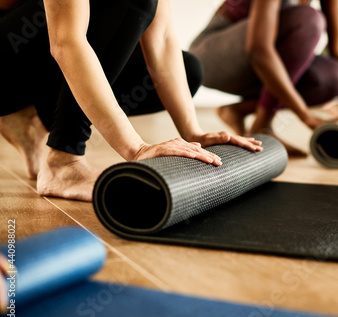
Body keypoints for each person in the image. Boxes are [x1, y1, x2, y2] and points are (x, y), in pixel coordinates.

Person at [0, 0, 262, 201]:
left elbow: (161, 40)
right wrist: (136, 149)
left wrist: (193, 132)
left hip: (35, 63)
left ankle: (29, 114)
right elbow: (66, 43)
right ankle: (63, 161)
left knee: (189, 69)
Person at [189, 0, 338, 156]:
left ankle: (239, 110)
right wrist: (305, 116)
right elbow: (259, 50)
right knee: (309, 19)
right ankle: (262, 124)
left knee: (334, 78)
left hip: (255, 60)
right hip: (212, 56)